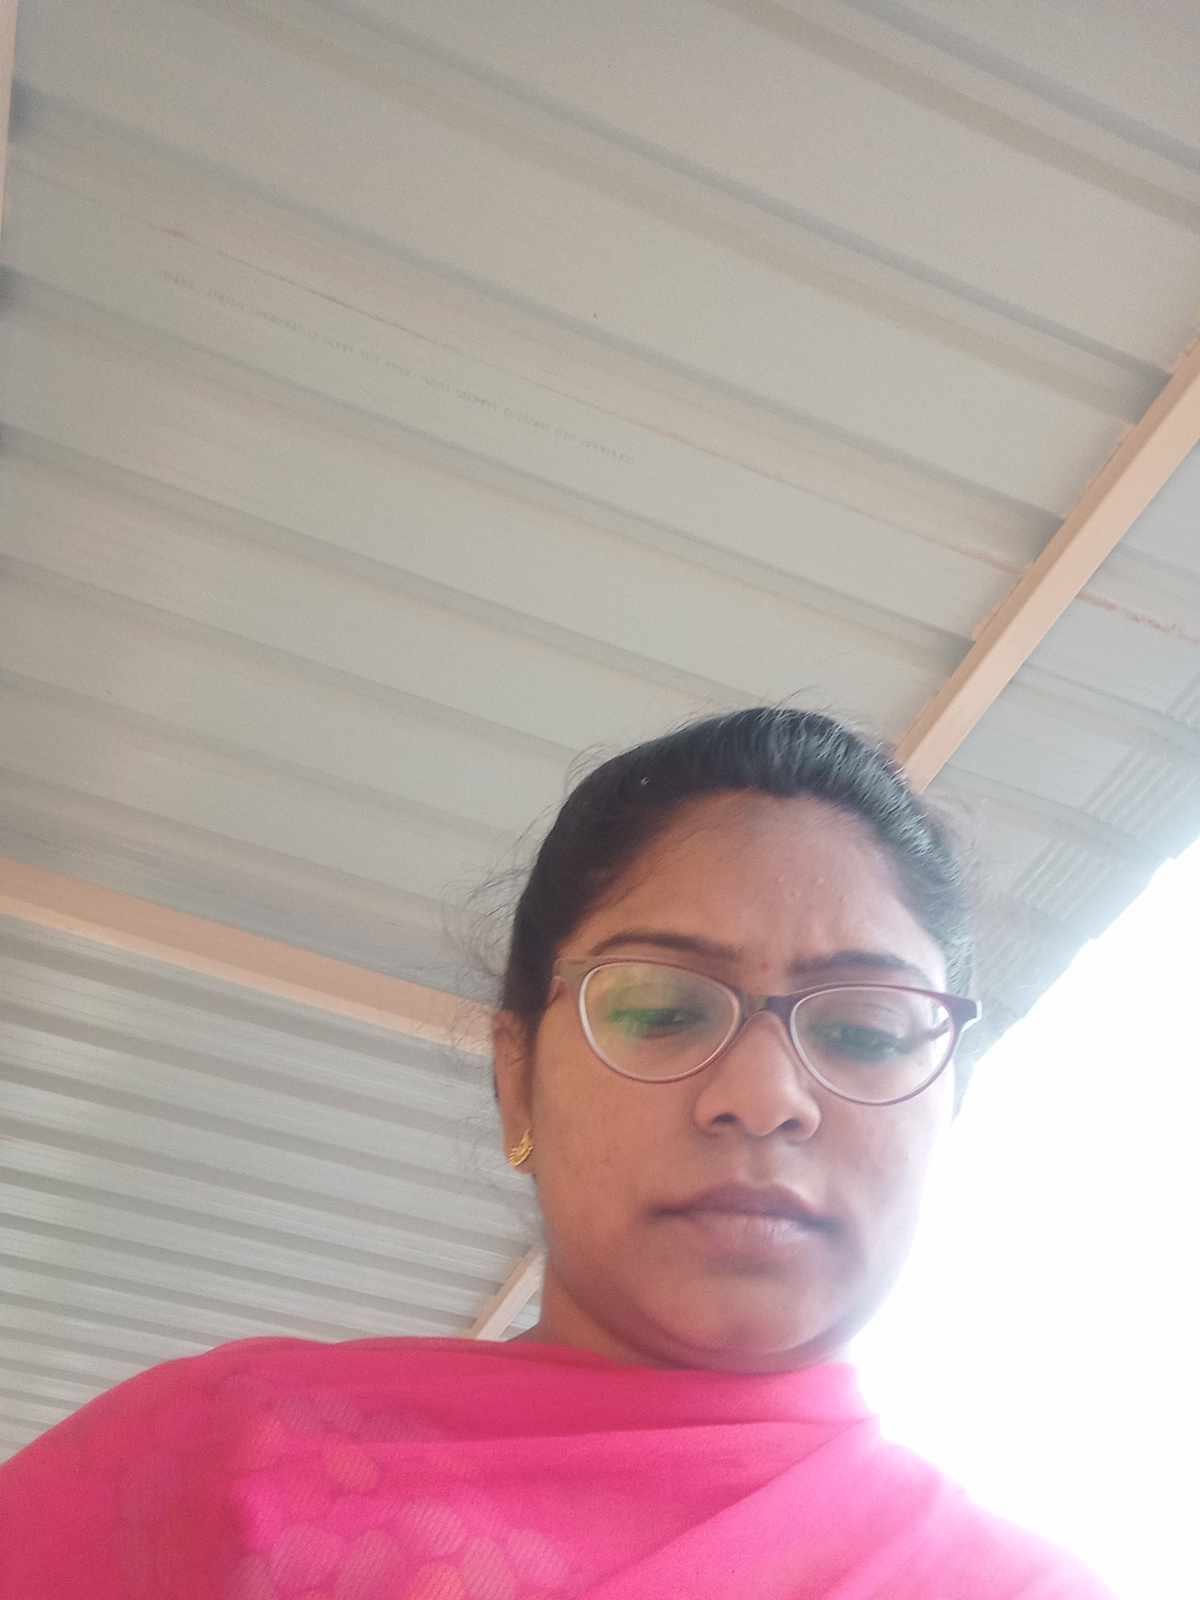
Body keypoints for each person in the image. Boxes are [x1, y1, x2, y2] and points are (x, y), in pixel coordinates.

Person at [0, 708, 1116, 1598]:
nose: (763, 1097)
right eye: (661, 1010)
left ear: (948, 1107)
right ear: (516, 1077)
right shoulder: (221, 1463)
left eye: (865, 1032)